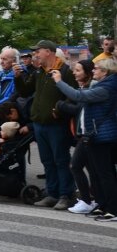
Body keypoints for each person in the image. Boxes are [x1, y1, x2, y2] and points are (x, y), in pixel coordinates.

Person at [13, 39, 78, 210]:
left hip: (56, 125)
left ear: (48, 52)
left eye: (38, 51)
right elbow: (25, 91)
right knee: (47, 161)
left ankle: (66, 195)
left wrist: (59, 110)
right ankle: (52, 193)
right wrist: (18, 78)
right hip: (40, 123)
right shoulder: (39, 71)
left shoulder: (64, 71)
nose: (35, 55)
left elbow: (72, 95)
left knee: (61, 160)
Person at [52, 58, 117, 221]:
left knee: (105, 173)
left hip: (102, 135)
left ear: (105, 72)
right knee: (97, 172)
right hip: (95, 134)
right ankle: (102, 204)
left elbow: (78, 96)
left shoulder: (106, 88)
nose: (93, 71)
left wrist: (59, 82)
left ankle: (113, 209)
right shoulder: (102, 85)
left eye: (96, 69)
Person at [55, 59, 96, 214]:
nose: (74, 73)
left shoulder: (91, 87)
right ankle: (93, 199)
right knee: (90, 168)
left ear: (88, 72)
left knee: (76, 166)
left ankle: (88, 200)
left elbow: (78, 107)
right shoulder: (83, 86)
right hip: (82, 134)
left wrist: (61, 105)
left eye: (78, 70)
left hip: (88, 134)